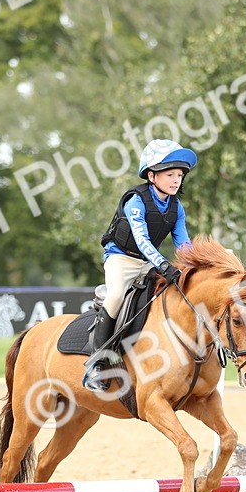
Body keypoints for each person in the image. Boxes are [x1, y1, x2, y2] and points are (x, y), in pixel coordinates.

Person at [83, 138, 197, 390]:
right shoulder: (135, 200)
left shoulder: (176, 207)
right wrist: (163, 264)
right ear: (152, 175)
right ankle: (97, 365)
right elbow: (141, 239)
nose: (176, 179)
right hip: (120, 259)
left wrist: (195, 268)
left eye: (179, 174)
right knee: (114, 297)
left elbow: (184, 244)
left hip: (147, 262)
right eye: (170, 174)